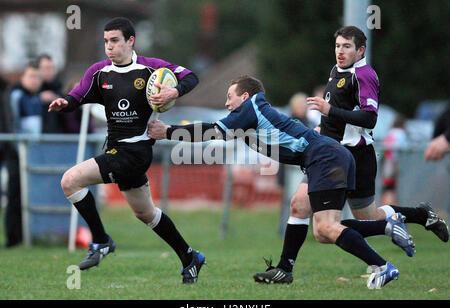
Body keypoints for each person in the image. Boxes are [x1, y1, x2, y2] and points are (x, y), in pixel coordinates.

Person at [148, 75, 415, 289]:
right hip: (329, 156)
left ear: (244, 96)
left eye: (230, 97)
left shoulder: (251, 108)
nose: (227, 103)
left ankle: (382, 264)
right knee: (306, 214)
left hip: (324, 158)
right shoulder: (251, 116)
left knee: (326, 228)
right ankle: (285, 270)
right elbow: (221, 135)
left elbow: (211, 131)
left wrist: (169, 131)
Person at [253, 26, 449, 285]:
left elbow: (369, 119)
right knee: (300, 205)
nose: (340, 51)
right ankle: (284, 269)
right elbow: (339, 116)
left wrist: (329, 110)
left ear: (361, 50)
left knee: (346, 223)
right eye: (337, 46)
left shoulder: (364, 75)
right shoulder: (337, 71)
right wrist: (322, 128)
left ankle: (403, 228)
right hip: (328, 153)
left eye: (347, 46)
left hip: (354, 156)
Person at [48, 17, 205, 284]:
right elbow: (77, 97)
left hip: (136, 152)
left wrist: (173, 92)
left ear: (130, 41)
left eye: (115, 41)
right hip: (115, 150)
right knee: (146, 213)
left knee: (70, 180)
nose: (109, 47)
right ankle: (189, 256)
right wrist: (65, 103)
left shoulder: (150, 68)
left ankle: (100, 241)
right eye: (106, 41)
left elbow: (191, 77)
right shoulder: (99, 72)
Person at [0, 75, 23, 248]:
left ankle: (13, 237)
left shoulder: (5, 89)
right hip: (7, 144)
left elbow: (8, 119)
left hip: (7, 146)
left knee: (13, 193)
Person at [380, 116, 408, 205]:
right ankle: (391, 209)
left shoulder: (390, 132)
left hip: (386, 161)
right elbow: (404, 146)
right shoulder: (401, 133)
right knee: (391, 188)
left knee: (387, 187)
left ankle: (385, 207)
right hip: (394, 162)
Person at [10, 61, 44, 134]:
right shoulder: (16, 96)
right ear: (23, 78)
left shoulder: (38, 98)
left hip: (36, 145)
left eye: (38, 77)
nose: (35, 80)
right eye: (31, 76)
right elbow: (11, 125)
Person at [37, 54, 64, 133]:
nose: (49, 71)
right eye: (46, 68)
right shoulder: (30, 91)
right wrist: (38, 99)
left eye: (51, 68)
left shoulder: (59, 88)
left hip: (56, 137)